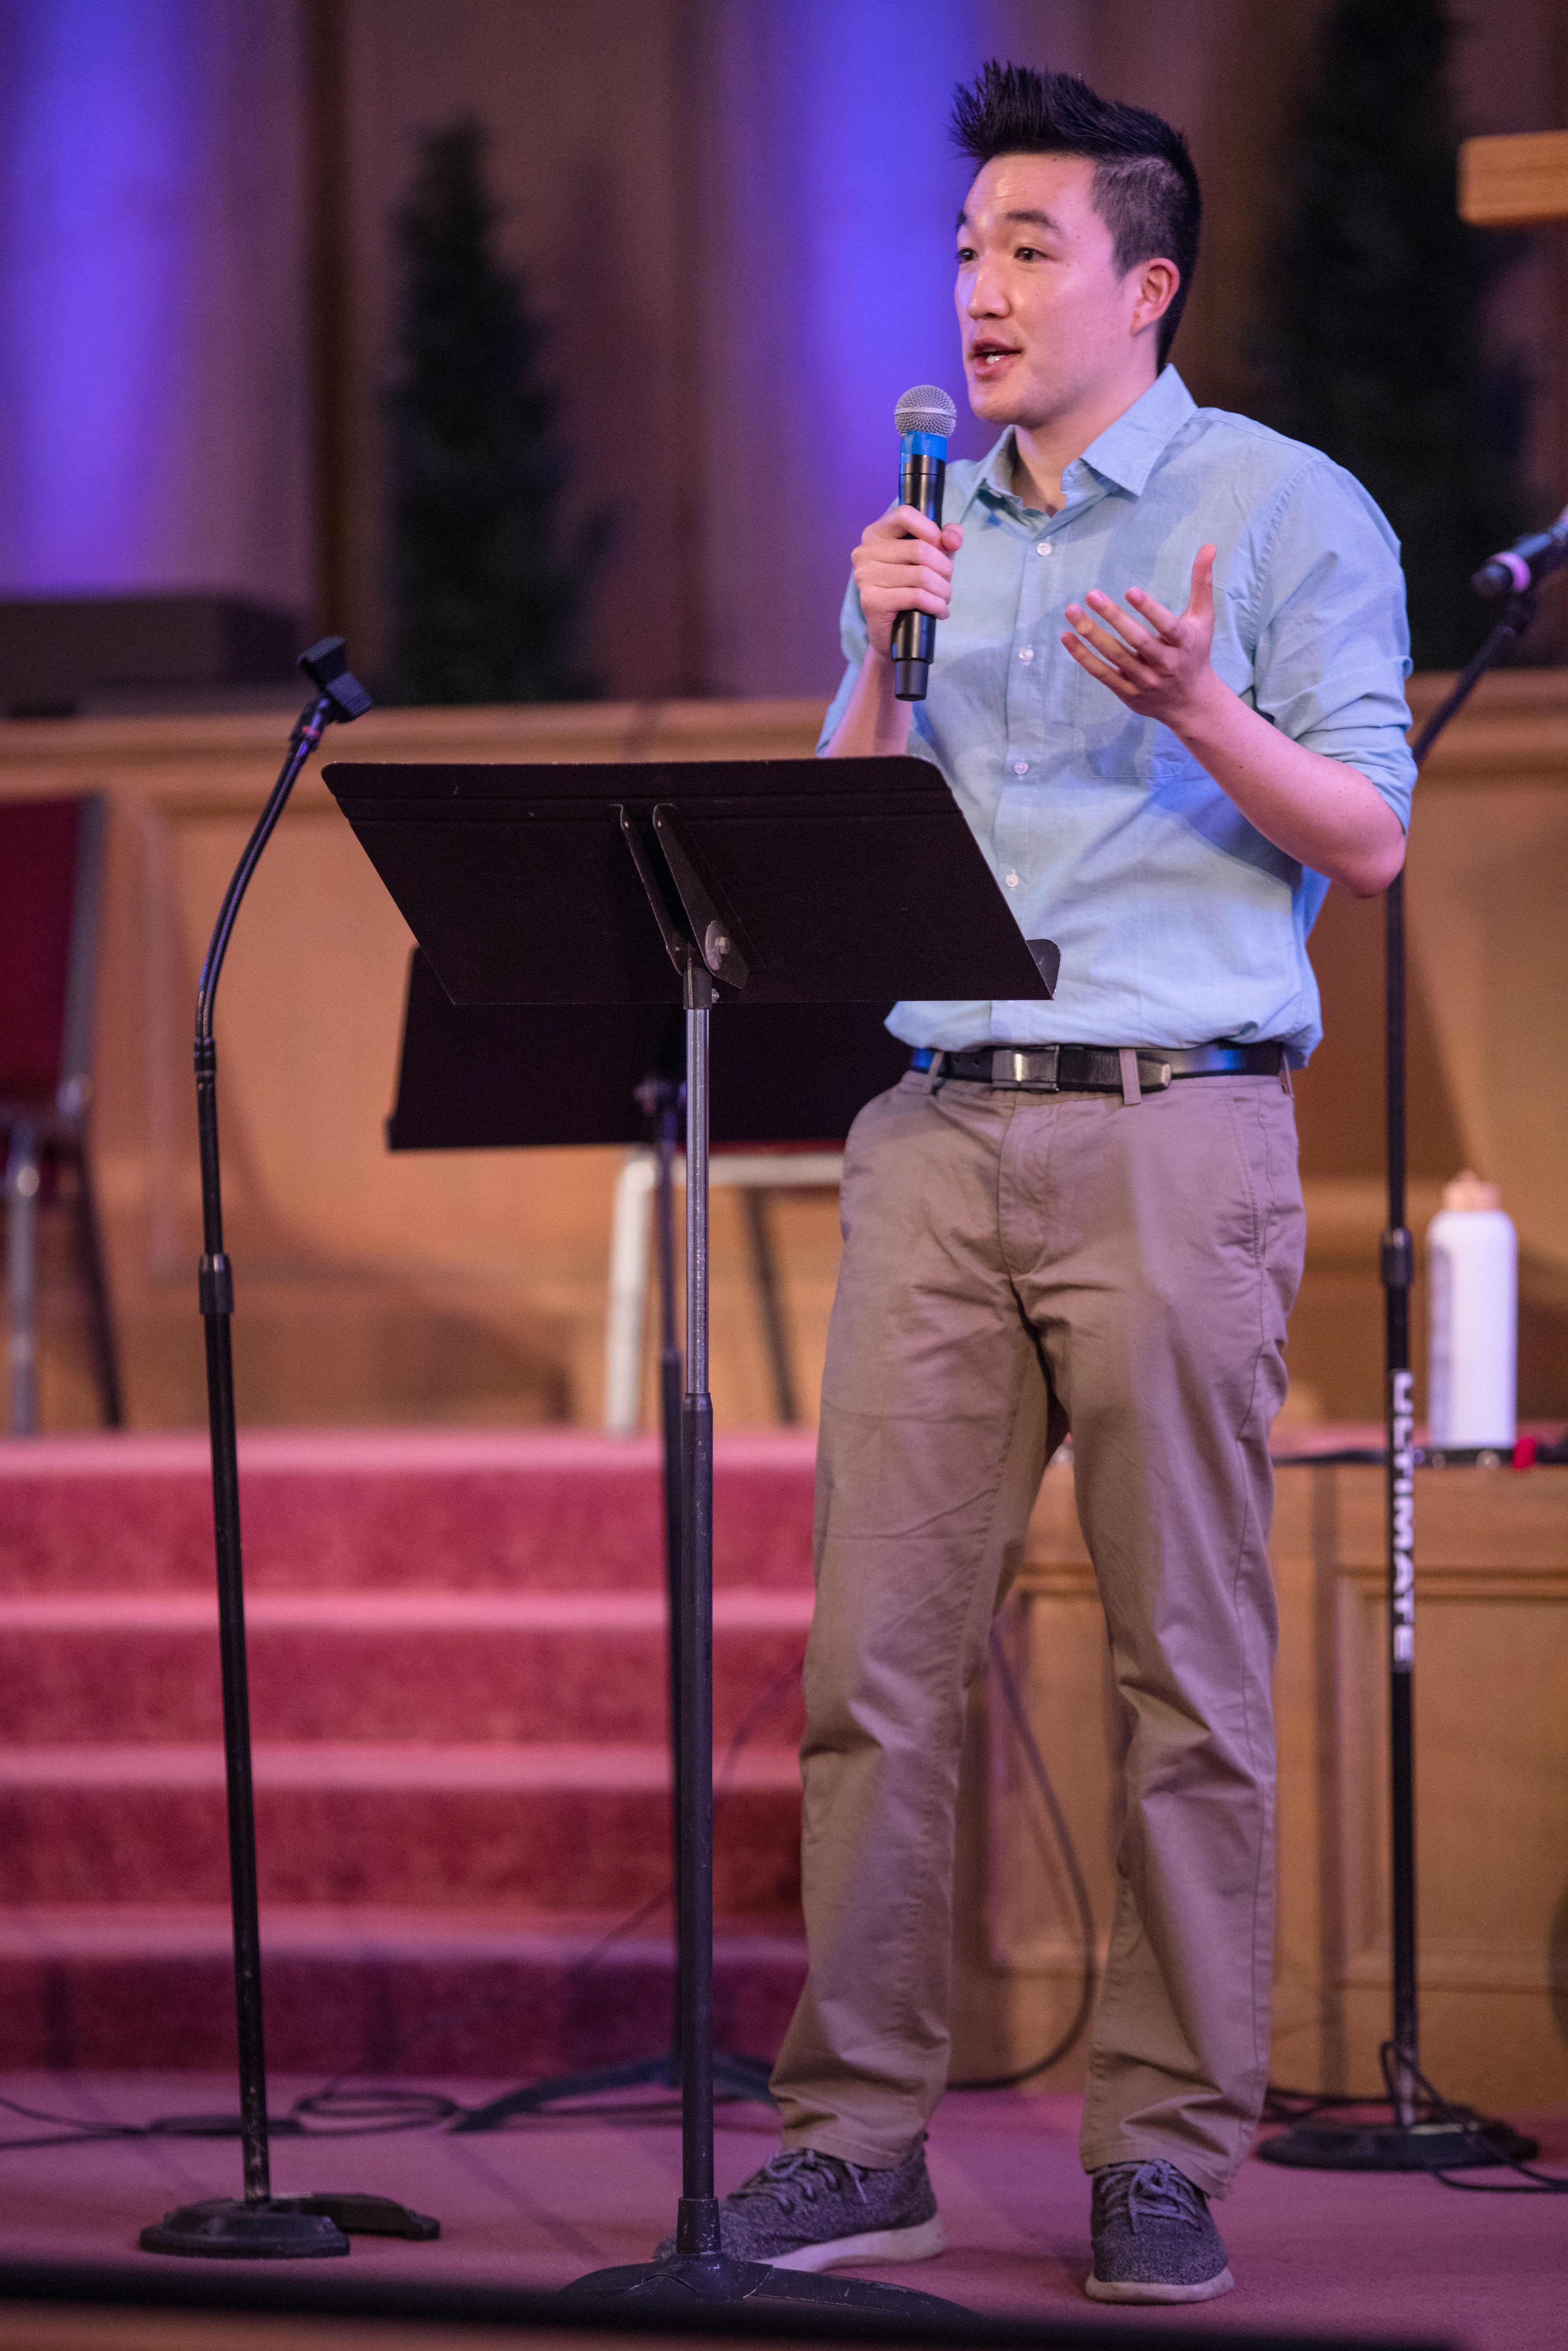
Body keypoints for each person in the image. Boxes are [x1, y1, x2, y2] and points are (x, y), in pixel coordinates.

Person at [662, 60, 1416, 2305]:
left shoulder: (1283, 511)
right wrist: (876, 651)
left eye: (1026, 249)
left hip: (1174, 1124)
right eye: (964, 250)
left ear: (1142, 286)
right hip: (934, 1129)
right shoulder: (928, 529)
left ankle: (1161, 2149)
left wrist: (1197, 706)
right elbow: (836, 854)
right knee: (876, 1666)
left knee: (1184, 1666)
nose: (977, 292)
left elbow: (1371, 835)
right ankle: (854, 2137)